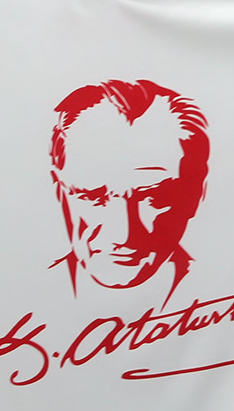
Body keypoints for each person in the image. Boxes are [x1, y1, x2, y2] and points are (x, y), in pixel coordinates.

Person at [49, 79, 210, 302]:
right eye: (92, 197)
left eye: (153, 198)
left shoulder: (225, 285)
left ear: (197, 193)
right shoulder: (15, 293)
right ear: (59, 185)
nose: (122, 237)